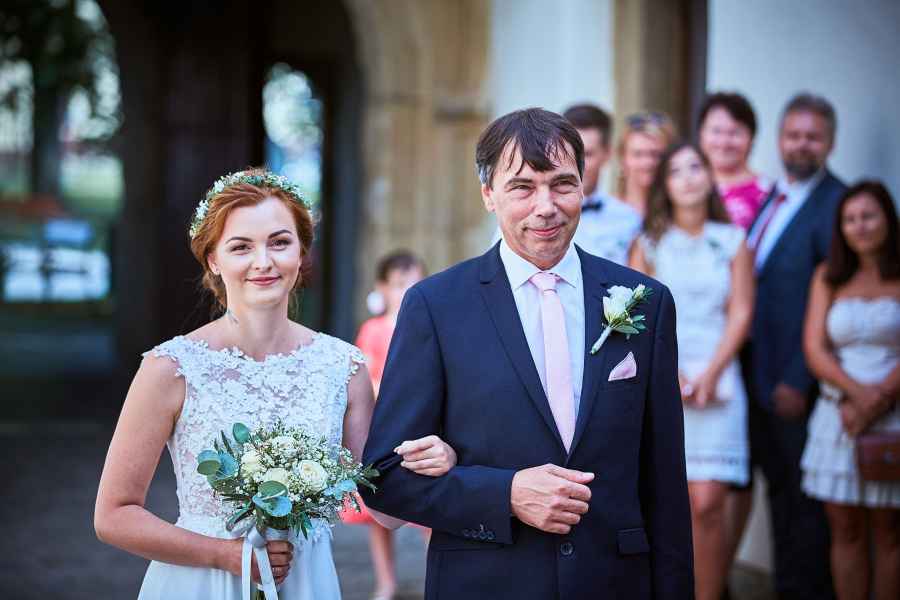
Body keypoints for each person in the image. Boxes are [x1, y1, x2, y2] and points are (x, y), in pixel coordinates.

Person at [361, 108, 693, 599]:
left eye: (562, 184)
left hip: (613, 582)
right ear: (488, 194)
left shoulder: (646, 301)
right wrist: (506, 494)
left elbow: (665, 484)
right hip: (485, 583)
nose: (546, 207)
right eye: (522, 187)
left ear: (584, 187)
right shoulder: (435, 305)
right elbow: (384, 478)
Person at [93, 169, 455, 600]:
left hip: (306, 583)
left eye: (279, 242)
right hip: (202, 582)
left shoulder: (343, 367)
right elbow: (113, 515)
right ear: (213, 259)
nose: (263, 261)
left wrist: (437, 460)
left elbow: (386, 509)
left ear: (301, 253)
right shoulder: (170, 368)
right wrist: (225, 555)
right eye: (241, 247)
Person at [630, 142, 753, 600]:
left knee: (708, 505)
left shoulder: (733, 240)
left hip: (720, 379)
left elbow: (741, 311)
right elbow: (638, 317)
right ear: (664, 184)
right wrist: (673, 374)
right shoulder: (647, 244)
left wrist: (713, 372)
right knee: (670, 504)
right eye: (676, 170)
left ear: (709, 176)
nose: (687, 177)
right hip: (666, 378)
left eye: (695, 167)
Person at [745, 93, 847, 599]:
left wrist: (798, 378)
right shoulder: (773, 195)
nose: (801, 145)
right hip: (754, 376)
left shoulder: (838, 205)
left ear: (829, 143)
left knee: (806, 509)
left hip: (794, 382)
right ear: (780, 139)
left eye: (812, 137)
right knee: (779, 498)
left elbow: (836, 302)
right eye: (793, 135)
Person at [801, 181, 900, 600]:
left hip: (893, 415)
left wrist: (879, 399)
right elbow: (814, 348)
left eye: (869, 216)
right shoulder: (829, 276)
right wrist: (858, 396)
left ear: (888, 220)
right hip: (838, 414)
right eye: (850, 219)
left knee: (890, 530)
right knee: (845, 527)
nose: (859, 226)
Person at [343, 250, 427, 600]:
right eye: (399, 284)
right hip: (384, 428)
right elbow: (367, 378)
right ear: (382, 288)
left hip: (422, 428)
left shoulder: (426, 326)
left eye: (415, 283)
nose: (407, 291)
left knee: (430, 513)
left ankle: (439, 576)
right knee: (376, 514)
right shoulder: (374, 330)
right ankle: (386, 581)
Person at [563, 103, 641, 265]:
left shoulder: (629, 219)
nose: (578, 163)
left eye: (587, 154)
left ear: (607, 154)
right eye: (571, 153)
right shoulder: (538, 214)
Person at [698, 92, 769, 230]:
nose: (724, 142)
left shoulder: (768, 194)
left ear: (751, 138)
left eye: (735, 132)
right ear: (701, 134)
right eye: (716, 131)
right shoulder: (684, 188)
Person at [617, 111, 677, 218]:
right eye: (638, 154)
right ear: (623, 158)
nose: (647, 163)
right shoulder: (607, 212)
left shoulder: (679, 213)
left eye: (656, 154)